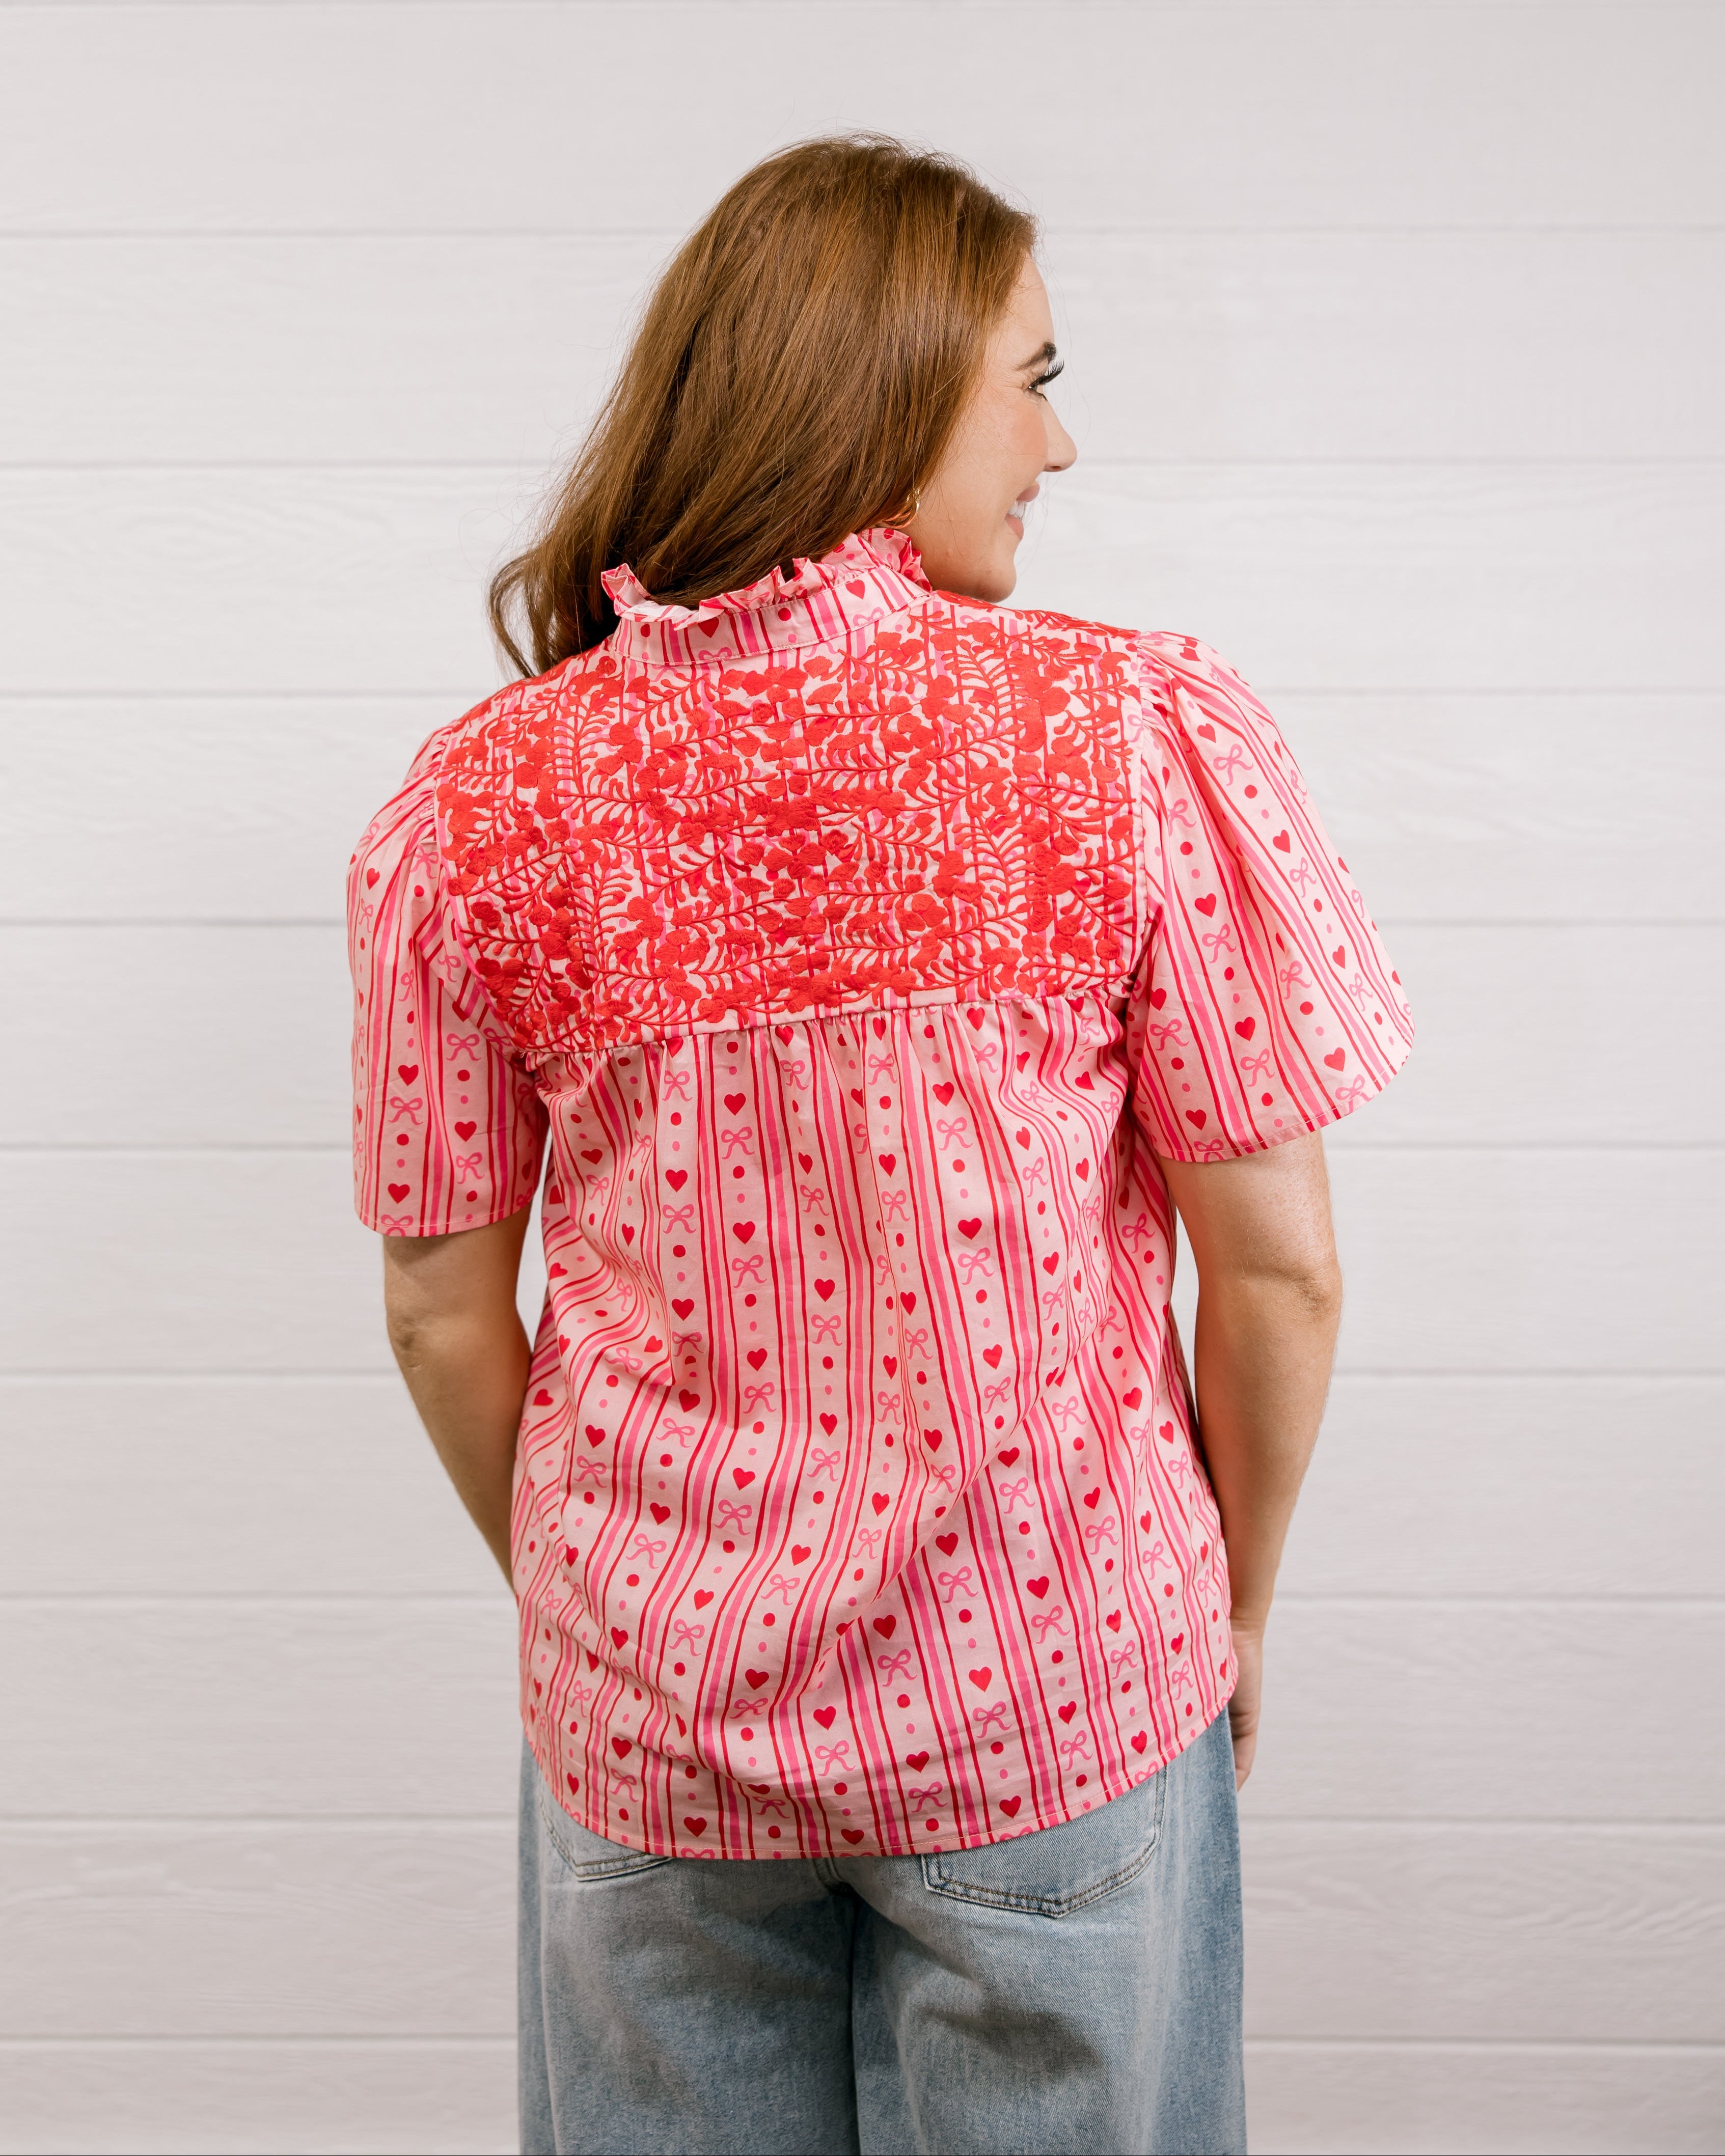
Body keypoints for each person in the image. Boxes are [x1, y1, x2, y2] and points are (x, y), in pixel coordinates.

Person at [347, 135, 1413, 2156]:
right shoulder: (1117, 737)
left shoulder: (476, 805)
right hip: (1061, 1688)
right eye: (1033, 374)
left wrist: (610, 1621)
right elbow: (1278, 1266)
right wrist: (1234, 1601)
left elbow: (435, 1313)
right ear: (889, 381)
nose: (1059, 444)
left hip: (650, 1737)